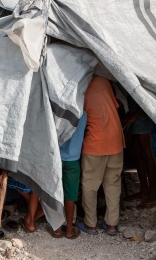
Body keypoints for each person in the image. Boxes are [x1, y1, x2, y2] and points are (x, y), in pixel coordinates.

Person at [77, 76, 125, 236]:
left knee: (90, 185)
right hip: (116, 141)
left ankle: (90, 224)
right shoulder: (104, 81)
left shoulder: (80, 84)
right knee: (113, 185)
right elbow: (115, 105)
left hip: (95, 143)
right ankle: (112, 225)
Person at [47, 111, 87, 239]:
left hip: (56, 159)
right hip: (73, 160)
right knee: (70, 196)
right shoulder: (83, 113)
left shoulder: (58, 110)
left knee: (55, 193)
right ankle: (69, 229)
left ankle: (57, 228)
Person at [122, 95, 156, 208]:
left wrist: (133, 116)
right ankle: (144, 190)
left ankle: (154, 194)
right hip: (135, 113)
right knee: (138, 152)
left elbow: (146, 99)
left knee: (146, 152)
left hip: (141, 114)